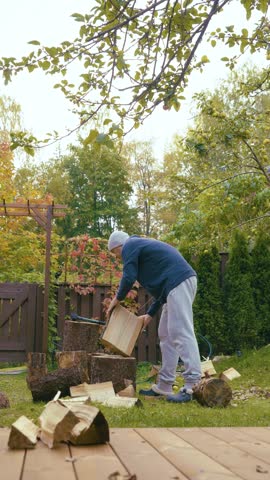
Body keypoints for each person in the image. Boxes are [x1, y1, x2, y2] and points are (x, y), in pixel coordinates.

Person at [106, 231, 202, 403]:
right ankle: (164, 385)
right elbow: (161, 294)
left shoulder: (130, 245)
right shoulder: (140, 249)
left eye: (115, 254)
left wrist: (116, 300)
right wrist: (149, 315)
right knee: (165, 334)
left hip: (179, 282)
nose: (118, 258)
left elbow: (128, 277)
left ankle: (192, 385)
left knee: (181, 332)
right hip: (174, 286)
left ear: (118, 246)